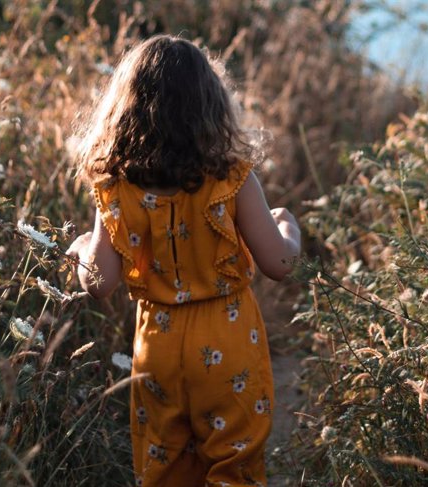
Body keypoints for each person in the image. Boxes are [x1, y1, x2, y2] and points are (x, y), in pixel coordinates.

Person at [67, 35, 301, 487]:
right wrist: (288, 227)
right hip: (227, 338)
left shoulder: (115, 184)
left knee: (164, 464)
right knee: (235, 465)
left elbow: (98, 283)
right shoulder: (231, 177)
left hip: (157, 343)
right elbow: (280, 264)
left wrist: (81, 249)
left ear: (124, 107)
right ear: (210, 107)